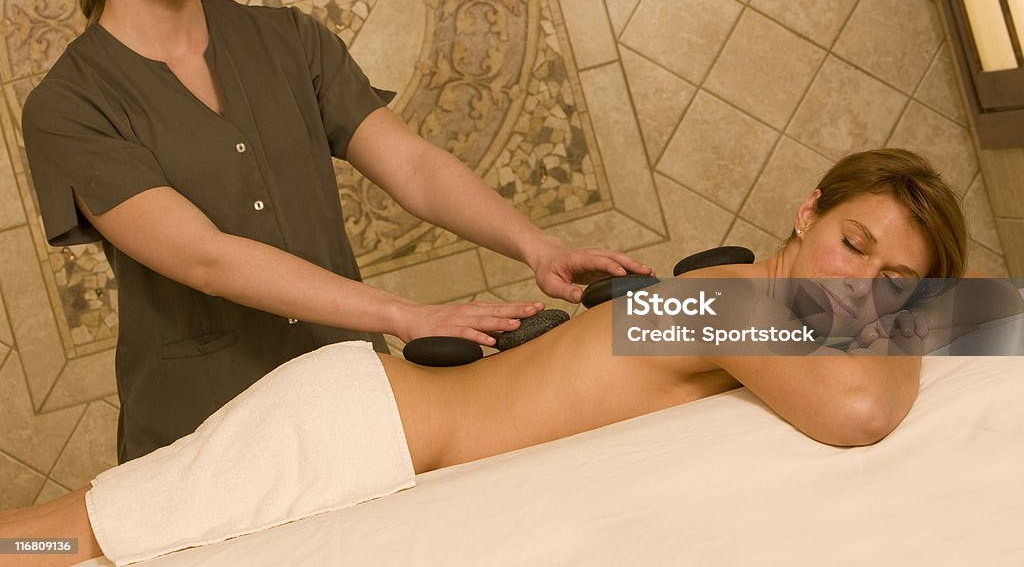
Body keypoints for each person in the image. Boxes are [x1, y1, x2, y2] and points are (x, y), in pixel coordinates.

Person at [5, 147, 1004, 567]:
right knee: (61, 544)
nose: (859, 287)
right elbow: (857, 415)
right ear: (808, 213)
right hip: (353, 429)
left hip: (374, 430)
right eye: (854, 246)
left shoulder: (742, 293)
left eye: (894, 281)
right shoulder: (731, 297)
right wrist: (919, 315)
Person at [21, 0, 650, 463]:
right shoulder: (69, 108)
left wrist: (538, 247)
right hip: (204, 443)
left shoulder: (288, 40)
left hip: (356, 407)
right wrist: (403, 315)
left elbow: (411, 165)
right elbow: (205, 257)